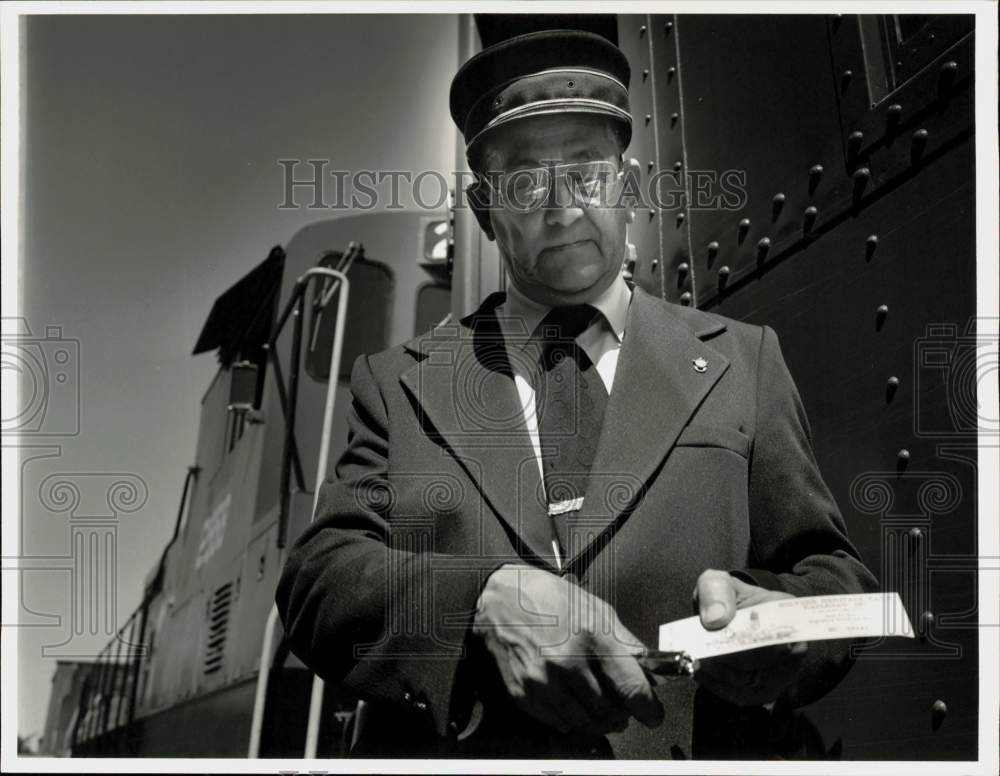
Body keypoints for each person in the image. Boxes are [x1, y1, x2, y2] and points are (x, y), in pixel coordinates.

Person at [276, 29, 878, 759]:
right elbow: (319, 578)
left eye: (587, 170)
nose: (561, 207)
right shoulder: (398, 384)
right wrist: (479, 605)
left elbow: (833, 575)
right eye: (525, 179)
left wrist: (782, 628)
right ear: (484, 206)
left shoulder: (742, 362)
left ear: (626, 183)